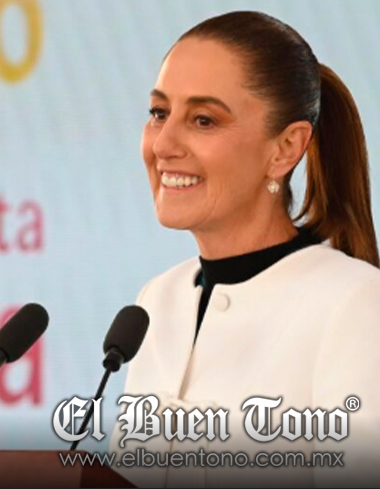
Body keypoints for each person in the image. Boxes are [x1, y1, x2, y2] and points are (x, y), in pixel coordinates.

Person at [108, 11, 380, 487]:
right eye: (159, 113)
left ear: (285, 148)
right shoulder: (156, 301)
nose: (163, 144)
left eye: (203, 120)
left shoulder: (355, 304)